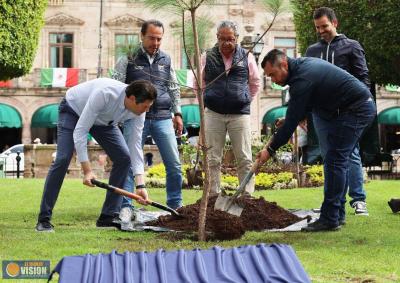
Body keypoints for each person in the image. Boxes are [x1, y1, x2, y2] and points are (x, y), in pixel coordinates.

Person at [258, 49, 376, 232]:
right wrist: (294, 117)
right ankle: (336, 214)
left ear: (283, 64)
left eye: (273, 75)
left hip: (357, 109)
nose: (273, 80)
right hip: (348, 109)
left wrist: (269, 150)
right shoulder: (301, 71)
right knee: (336, 160)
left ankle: (330, 219)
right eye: (269, 77)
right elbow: (309, 101)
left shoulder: (303, 78)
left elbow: (289, 127)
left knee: (335, 160)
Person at [35, 78, 157, 232]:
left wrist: (140, 184)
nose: (147, 110)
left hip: (104, 122)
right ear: (132, 99)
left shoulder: (140, 110)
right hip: (73, 111)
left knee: (124, 158)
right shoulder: (105, 93)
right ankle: (44, 219)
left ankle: (108, 216)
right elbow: (81, 131)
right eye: (145, 106)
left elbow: (135, 144)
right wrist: (87, 170)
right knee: (63, 158)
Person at [112, 20, 183, 229]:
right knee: (128, 162)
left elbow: (173, 87)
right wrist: (118, 115)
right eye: (152, 38)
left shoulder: (166, 59)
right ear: (142, 36)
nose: (156, 42)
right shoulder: (128, 57)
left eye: (159, 38)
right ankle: (126, 206)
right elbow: (116, 84)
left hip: (162, 117)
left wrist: (177, 112)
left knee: (174, 164)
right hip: (133, 117)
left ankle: (175, 205)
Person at [305, 7, 371, 216]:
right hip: (322, 114)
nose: (321, 31)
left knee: (350, 154)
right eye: (317, 28)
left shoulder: (352, 47)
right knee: (329, 157)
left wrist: (361, 103)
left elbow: (363, 77)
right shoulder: (312, 51)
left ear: (335, 23)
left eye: (324, 26)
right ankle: (333, 202)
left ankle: (358, 200)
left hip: (348, 112)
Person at [201, 20, 261, 194]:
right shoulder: (207, 56)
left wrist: (244, 99)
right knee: (212, 158)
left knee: (244, 157)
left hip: (239, 114)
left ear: (236, 38)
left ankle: (247, 194)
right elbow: (200, 83)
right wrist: (205, 104)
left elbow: (255, 83)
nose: (226, 43)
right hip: (213, 113)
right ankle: (213, 195)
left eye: (230, 39)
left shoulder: (246, 56)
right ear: (217, 38)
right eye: (223, 39)